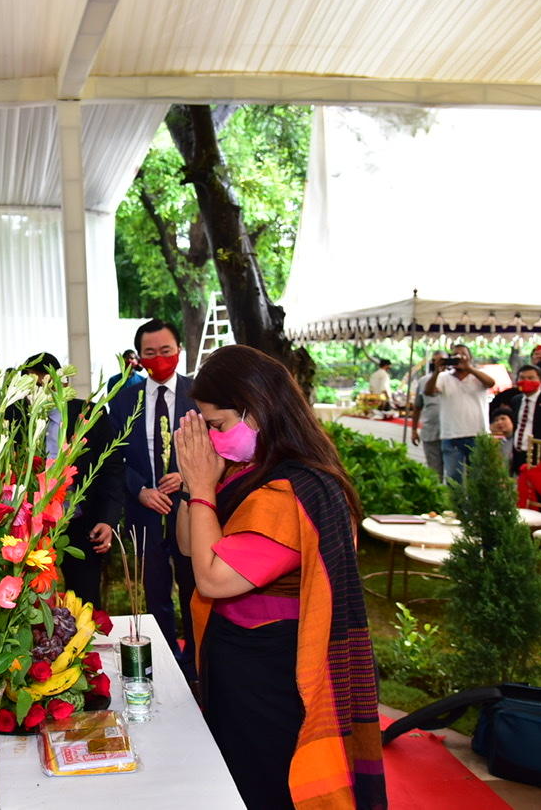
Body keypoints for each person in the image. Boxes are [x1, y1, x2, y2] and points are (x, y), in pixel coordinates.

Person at [174, 344, 385, 810]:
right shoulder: (249, 472)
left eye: (218, 425)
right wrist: (195, 487)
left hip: (270, 670)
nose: (211, 439)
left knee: (266, 781)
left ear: (257, 410)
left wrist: (203, 487)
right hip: (237, 656)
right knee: (236, 773)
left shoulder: (290, 491)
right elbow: (191, 546)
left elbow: (210, 579)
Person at [109, 318, 199, 679]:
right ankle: (165, 660)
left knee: (195, 587)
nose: (159, 358)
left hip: (190, 510)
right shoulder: (124, 398)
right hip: (144, 510)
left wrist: (189, 475)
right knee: (154, 588)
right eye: (150, 353)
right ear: (139, 358)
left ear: (178, 351)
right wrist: (140, 490)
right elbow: (113, 456)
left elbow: (219, 447)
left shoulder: (199, 393)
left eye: (166, 351)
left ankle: (196, 660)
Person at [14, 353, 123, 608]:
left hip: (81, 521)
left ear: (62, 384)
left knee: (85, 602)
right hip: (31, 528)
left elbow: (112, 469)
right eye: (33, 388)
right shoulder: (14, 417)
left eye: (46, 385)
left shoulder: (90, 413)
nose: (40, 393)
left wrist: (108, 519)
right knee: (29, 604)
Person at [424, 344, 493, 482]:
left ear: (470, 358)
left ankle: (475, 504)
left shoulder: (477, 376)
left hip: (477, 435)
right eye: (455, 355)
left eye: (463, 354)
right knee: (454, 479)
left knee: (479, 478)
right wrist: (437, 371)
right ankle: (457, 504)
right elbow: (428, 392)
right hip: (452, 436)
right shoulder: (443, 377)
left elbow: (490, 383)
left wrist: (469, 369)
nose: (459, 357)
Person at [410, 351, 446, 479]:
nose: (440, 363)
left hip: (451, 433)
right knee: (434, 472)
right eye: (436, 360)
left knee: (454, 473)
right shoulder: (424, 381)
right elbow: (417, 407)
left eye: (443, 360)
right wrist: (414, 430)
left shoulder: (453, 380)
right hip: (431, 432)